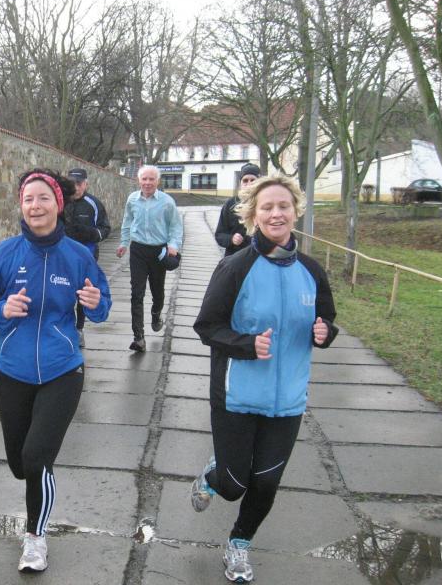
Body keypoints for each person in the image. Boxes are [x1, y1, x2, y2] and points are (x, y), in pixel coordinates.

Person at [0, 168, 111, 573]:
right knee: (19, 464)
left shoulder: (78, 255)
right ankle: (34, 486)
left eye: (44, 198)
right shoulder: (6, 253)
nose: (35, 206)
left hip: (64, 370)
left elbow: (102, 305)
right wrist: (1, 309)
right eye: (28, 199)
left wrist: (95, 302)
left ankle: (35, 537)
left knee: (36, 457)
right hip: (13, 370)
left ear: (58, 205)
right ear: (21, 206)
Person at [191, 174, 338, 583]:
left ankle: (239, 544)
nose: (276, 213)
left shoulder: (311, 270)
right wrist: (246, 344)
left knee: (267, 483)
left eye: (283, 206)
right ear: (253, 214)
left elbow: (326, 317)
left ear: (296, 212)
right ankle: (213, 475)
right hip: (237, 394)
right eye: (267, 207)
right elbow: (207, 326)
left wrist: (324, 332)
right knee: (234, 484)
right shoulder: (235, 267)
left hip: (288, 398)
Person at [116, 165, 182, 352]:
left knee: (157, 291)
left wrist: (173, 245)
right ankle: (139, 337)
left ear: (157, 181)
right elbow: (127, 221)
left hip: (158, 251)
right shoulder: (132, 199)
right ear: (139, 180)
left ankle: (156, 313)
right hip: (138, 250)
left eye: (151, 179)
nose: (147, 182)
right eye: (144, 179)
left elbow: (176, 226)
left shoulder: (167, 202)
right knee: (136, 293)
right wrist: (124, 243)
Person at [63, 167, 111, 348]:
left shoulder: (94, 204)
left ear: (85, 184)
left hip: (86, 255)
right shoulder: (61, 201)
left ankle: (79, 329)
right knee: (63, 291)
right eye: (72, 183)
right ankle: (64, 327)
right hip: (63, 256)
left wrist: (89, 233)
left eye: (79, 183)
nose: (76, 187)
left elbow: (105, 229)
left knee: (83, 293)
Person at [214, 163, 261, 257]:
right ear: (240, 183)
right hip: (234, 256)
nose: (249, 183)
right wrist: (231, 239)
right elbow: (220, 234)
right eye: (245, 180)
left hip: (259, 256)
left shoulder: (265, 203)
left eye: (253, 180)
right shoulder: (230, 204)